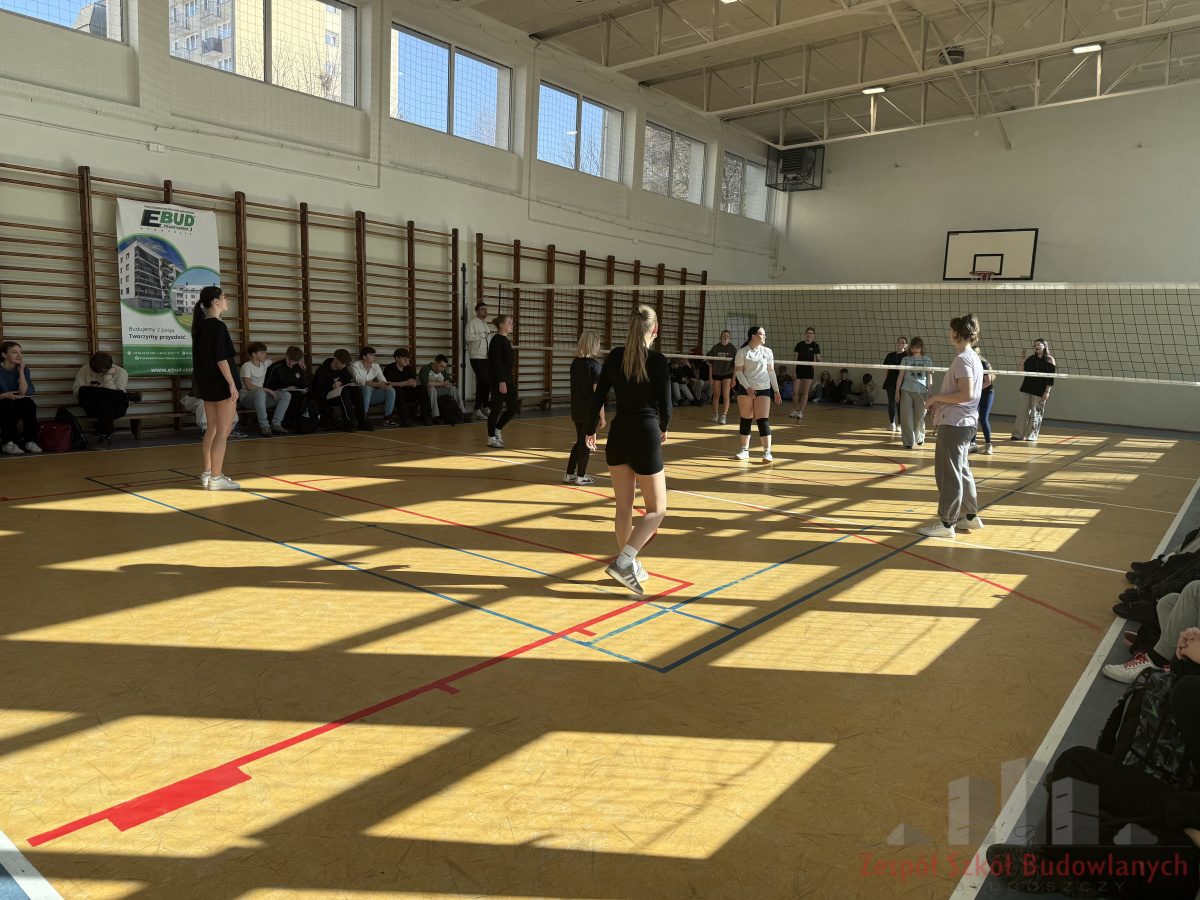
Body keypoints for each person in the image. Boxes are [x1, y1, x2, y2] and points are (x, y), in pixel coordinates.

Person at [585, 305, 671, 594]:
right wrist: (664, 427)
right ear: (654, 329)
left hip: (619, 434)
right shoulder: (657, 361)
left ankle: (630, 566)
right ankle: (624, 562)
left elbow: (597, 397)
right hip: (644, 434)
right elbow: (667, 406)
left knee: (624, 508)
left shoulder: (614, 356)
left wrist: (589, 429)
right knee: (657, 509)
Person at [919, 314, 984, 539]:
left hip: (955, 424)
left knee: (949, 474)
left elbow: (966, 394)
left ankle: (947, 523)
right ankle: (970, 516)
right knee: (962, 469)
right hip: (965, 423)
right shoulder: (973, 357)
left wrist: (936, 398)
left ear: (956, 333)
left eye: (951, 330)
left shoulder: (963, 359)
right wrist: (941, 403)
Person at [191, 286, 240, 491]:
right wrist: (231, 383)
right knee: (223, 432)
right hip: (221, 384)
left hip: (206, 383)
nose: (227, 300)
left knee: (211, 429)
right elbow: (221, 358)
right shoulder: (218, 326)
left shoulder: (199, 326)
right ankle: (216, 478)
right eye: (224, 297)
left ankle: (207, 473)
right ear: (216, 301)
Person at [733, 326, 782, 463]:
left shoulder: (767, 352)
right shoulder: (742, 352)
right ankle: (744, 450)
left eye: (765, 334)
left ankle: (767, 452)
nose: (764, 336)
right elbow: (739, 372)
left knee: (762, 419)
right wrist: (747, 387)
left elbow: (771, 372)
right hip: (746, 389)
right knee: (746, 419)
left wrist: (776, 390)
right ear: (753, 336)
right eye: (762, 334)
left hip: (763, 389)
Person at [566, 330, 605, 486]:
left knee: (580, 441)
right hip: (590, 411)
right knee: (587, 442)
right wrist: (602, 417)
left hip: (576, 408)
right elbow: (598, 395)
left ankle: (569, 474)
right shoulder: (596, 366)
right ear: (594, 345)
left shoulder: (575, 364)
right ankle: (581, 476)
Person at [72, 351, 130, 450]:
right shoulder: (85, 369)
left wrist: (107, 376)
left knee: (107, 401)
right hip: (93, 406)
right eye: (98, 372)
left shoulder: (121, 373)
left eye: (103, 372)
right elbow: (76, 392)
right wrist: (90, 387)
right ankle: (131, 396)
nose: (101, 374)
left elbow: (117, 399)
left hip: (115, 408)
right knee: (83, 390)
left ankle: (105, 437)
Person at [238, 342, 291, 436]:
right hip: (247, 399)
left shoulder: (264, 364)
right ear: (254, 354)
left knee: (286, 395)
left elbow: (276, 359)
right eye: (262, 353)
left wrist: (293, 360)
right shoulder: (246, 366)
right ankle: (264, 426)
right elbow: (249, 386)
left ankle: (276, 424)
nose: (265, 355)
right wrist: (267, 390)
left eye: (265, 352)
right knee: (260, 392)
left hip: (261, 398)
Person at [0, 341, 41, 455]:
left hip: (16, 402)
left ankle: (30, 441)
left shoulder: (23, 369)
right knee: (7, 404)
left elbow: (23, 392)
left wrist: (21, 372)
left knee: (29, 404)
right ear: (4, 355)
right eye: (14, 352)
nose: (19, 355)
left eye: (20, 352)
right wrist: (5, 395)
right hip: (2, 402)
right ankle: (8, 442)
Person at [1012, 338, 1056, 443]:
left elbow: (1050, 378)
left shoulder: (1049, 360)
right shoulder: (1031, 358)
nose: (1036, 347)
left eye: (1038, 345)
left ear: (1045, 346)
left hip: (1039, 391)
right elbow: (1021, 371)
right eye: (1035, 345)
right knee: (1022, 412)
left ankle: (1032, 435)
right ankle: (1018, 434)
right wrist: (1022, 358)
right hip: (1026, 388)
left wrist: (1047, 392)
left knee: (1036, 414)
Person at [311, 350, 365, 431]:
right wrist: (332, 387)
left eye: (345, 364)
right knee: (343, 392)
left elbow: (347, 380)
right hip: (328, 396)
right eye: (341, 363)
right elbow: (317, 389)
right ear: (335, 359)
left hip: (342, 394)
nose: (343, 366)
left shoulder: (343, 369)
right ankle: (348, 422)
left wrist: (351, 383)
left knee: (357, 390)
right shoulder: (322, 370)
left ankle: (363, 421)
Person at [897, 337, 933, 450]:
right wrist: (897, 391)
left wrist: (929, 393)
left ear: (921, 347)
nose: (915, 349)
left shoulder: (927, 360)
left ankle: (920, 436)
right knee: (906, 417)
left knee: (919, 416)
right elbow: (900, 376)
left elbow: (929, 378)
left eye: (917, 347)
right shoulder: (905, 359)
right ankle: (908, 442)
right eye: (913, 347)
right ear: (911, 348)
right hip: (906, 390)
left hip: (921, 391)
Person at [486, 316, 517, 447]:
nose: (512, 325)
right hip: (499, 380)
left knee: (513, 407)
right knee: (496, 409)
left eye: (512, 323)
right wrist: (501, 380)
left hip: (508, 379)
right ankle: (491, 438)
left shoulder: (505, 341)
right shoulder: (496, 340)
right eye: (509, 323)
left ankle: (497, 430)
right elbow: (496, 363)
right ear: (502, 325)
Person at [264, 346, 308, 432]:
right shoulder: (276, 367)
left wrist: (304, 389)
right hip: (278, 392)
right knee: (290, 395)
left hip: (295, 392)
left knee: (300, 395)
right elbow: (268, 385)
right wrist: (285, 388)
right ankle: (287, 423)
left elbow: (303, 383)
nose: (291, 363)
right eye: (290, 360)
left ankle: (297, 423)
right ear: (286, 356)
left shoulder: (298, 367)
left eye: (294, 361)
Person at [351, 346, 397, 428]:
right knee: (367, 388)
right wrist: (378, 384)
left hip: (370, 395)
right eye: (371, 355)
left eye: (374, 355)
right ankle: (364, 418)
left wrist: (386, 385)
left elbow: (382, 380)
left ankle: (387, 417)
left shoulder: (376, 366)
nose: (374, 357)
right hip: (358, 396)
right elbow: (360, 382)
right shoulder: (355, 365)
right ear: (364, 357)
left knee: (391, 390)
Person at [466, 301, 492, 422]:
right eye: (482, 309)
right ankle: (481, 407)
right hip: (476, 357)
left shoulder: (485, 324)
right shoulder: (472, 323)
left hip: (486, 357)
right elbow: (468, 337)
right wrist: (482, 335)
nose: (485, 311)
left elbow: (487, 340)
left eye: (486, 309)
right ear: (477, 312)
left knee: (484, 383)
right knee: (485, 382)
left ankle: (481, 408)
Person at [419, 354, 463, 425]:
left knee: (452, 388)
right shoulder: (425, 369)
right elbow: (425, 382)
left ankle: (461, 412)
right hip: (427, 393)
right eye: (441, 366)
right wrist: (441, 384)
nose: (442, 369)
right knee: (432, 388)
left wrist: (448, 383)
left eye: (444, 367)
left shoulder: (442, 371)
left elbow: (450, 381)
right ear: (435, 363)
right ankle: (435, 416)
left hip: (438, 391)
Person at [382, 348, 422, 426]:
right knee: (397, 389)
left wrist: (414, 383)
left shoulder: (408, 368)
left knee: (421, 389)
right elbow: (389, 384)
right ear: (397, 358)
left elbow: (412, 380)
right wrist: (405, 383)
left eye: (408, 359)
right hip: (396, 394)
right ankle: (405, 419)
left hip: (407, 392)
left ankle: (427, 416)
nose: (407, 361)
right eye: (404, 358)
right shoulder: (389, 368)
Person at [790, 327, 821, 420]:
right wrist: (794, 371)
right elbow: (795, 359)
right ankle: (796, 409)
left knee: (804, 392)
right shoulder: (799, 344)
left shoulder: (815, 345)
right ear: (805, 334)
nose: (809, 335)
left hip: (809, 371)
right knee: (795, 392)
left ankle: (801, 412)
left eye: (811, 333)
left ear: (813, 335)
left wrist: (816, 363)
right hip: (799, 369)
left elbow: (818, 358)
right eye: (808, 333)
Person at [708, 330, 736, 424]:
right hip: (716, 373)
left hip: (727, 374)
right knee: (716, 394)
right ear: (720, 337)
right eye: (724, 336)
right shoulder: (716, 348)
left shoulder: (732, 349)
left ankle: (724, 415)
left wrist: (734, 379)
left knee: (726, 395)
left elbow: (736, 366)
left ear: (729, 337)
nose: (725, 337)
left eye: (727, 336)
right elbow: (710, 363)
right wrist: (710, 377)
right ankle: (715, 414)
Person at [882, 336, 908, 433]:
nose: (900, 344)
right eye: (899, 342)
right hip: (891, 382)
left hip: (903, 383)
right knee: (891, 403)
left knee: (900, 404)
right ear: (896, 343)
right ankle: (892, 423)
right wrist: (886, 383)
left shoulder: (907, 356)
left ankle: (900, 424)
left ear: (906, 345)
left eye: (903, 342)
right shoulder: (890, 355)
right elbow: (886, 371)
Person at [972, 347, 995, 455]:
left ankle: (988, 444)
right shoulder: (968, 364)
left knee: (983, 418)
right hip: (975, 393)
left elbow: (988, 382)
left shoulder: (983, 364)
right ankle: (972, 443)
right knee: (973, 418)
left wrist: (974, 390)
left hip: (986, 393)